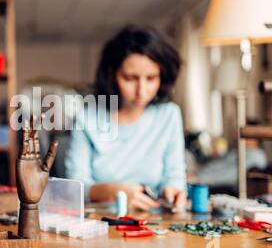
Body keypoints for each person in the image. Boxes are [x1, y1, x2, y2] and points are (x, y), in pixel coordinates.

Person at [64, 26, 187, 212]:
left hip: (154, 220)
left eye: (152, 78)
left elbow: (174, 175)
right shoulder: (86, 118)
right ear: (112, 74)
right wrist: (111, 192)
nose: (142, 90)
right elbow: (75, 186)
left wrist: (173, 190)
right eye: (130, 78)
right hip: (101, 221)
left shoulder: (169, 115)